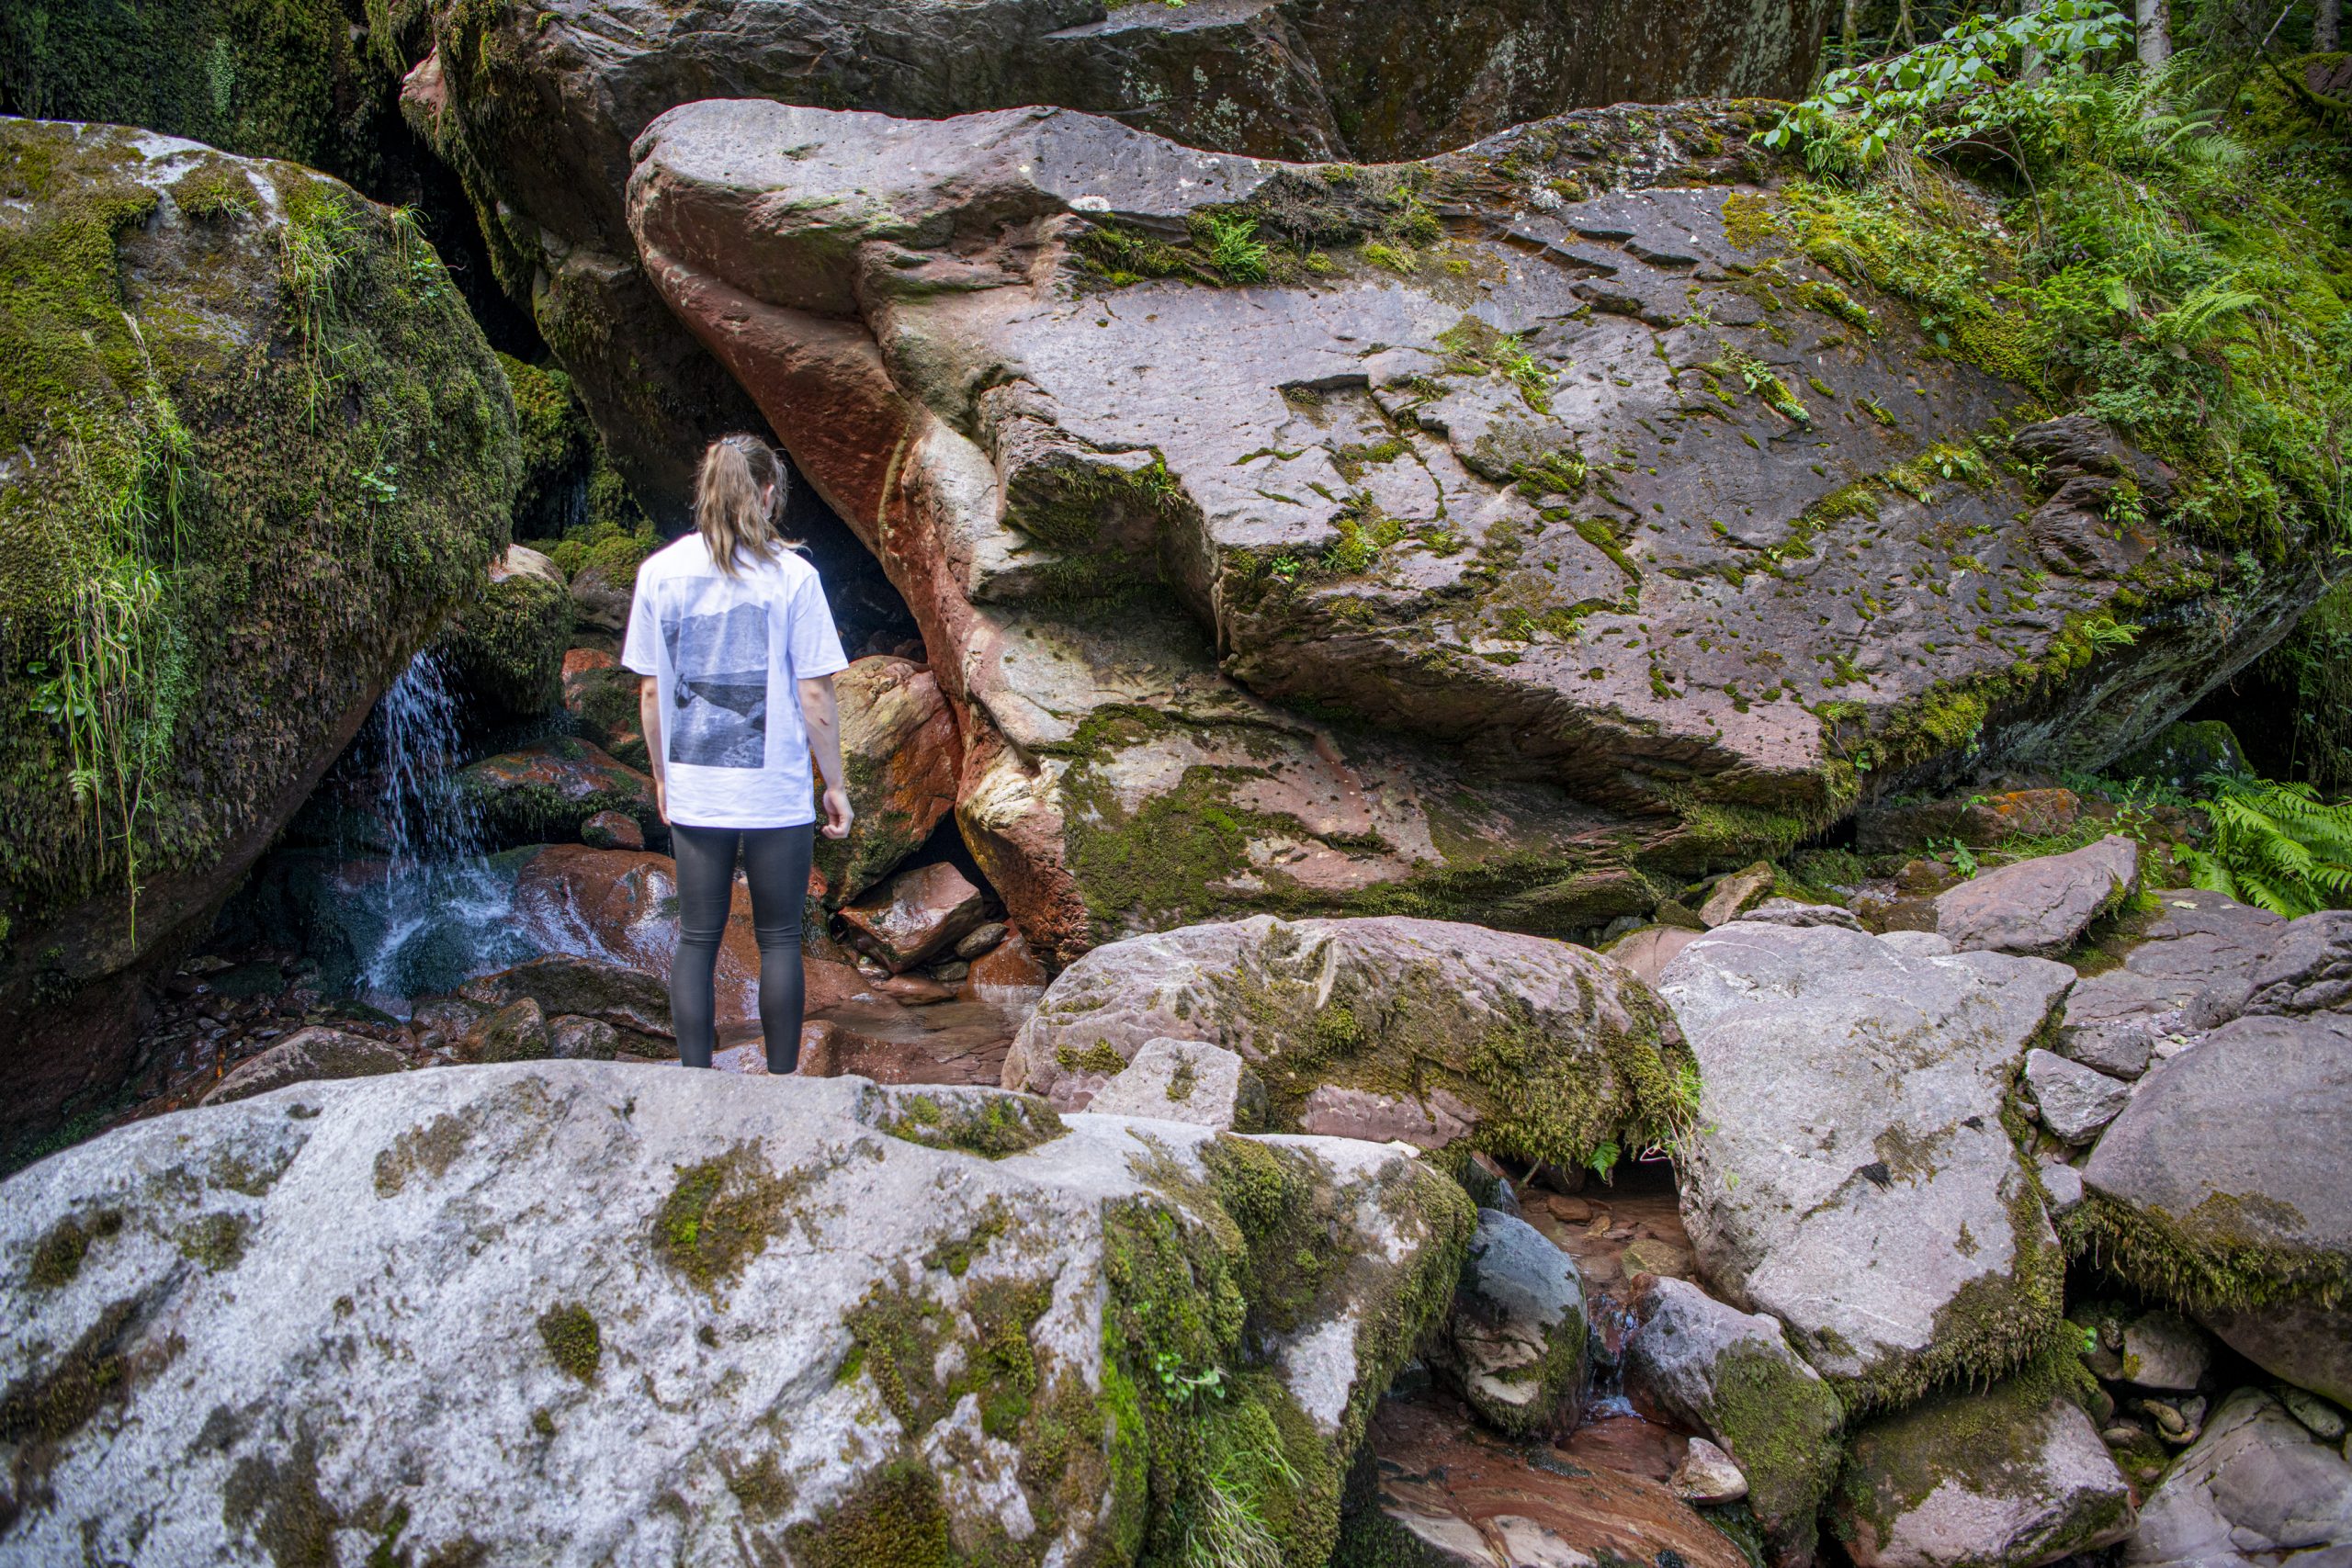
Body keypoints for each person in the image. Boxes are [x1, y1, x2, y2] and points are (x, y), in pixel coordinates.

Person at [620, 434, 852, 1074]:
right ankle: (781, 1086)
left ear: (705, 491)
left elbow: (650, 691)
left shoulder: (659, 572)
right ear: (768, 494)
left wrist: (661, 776)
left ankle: (695, 1082)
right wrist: (834, 783)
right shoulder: (794, 577)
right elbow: (814, 694)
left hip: (696, 784)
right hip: (773, 787)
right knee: (779, 940)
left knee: (697, 938)